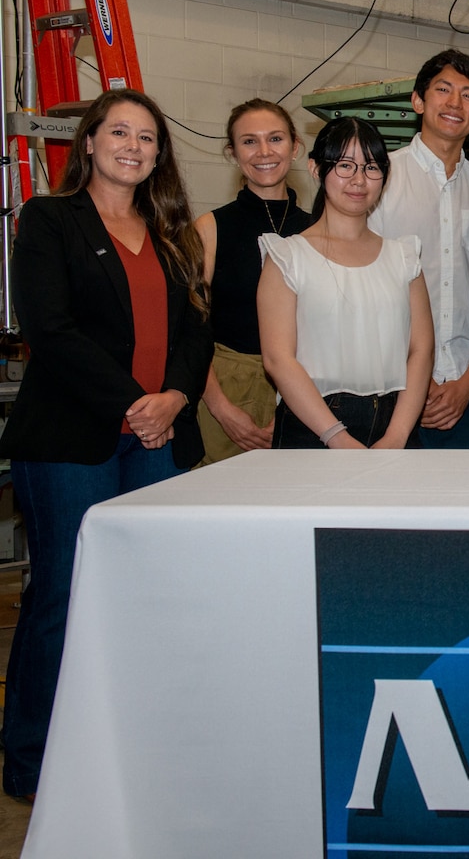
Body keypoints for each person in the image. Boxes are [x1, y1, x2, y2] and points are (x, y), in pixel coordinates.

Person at [0, 89, 213, 798]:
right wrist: (133, 403)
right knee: (62, 593)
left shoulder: (172, 232)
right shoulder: (50, 219)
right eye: (118, 132)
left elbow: (194, 333)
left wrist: (176, 398)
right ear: (87, 143)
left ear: (160, 155)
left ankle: (127, 747)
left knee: (143, 599)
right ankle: (31, 762)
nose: (133, 145)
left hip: (156, 439)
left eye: (147, 137)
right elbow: (50, 329)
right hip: (73, 439)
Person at [258, 117, 434, 449]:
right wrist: (336, 436)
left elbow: (421, 350)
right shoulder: (286, 256)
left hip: (394, 423)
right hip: (313, 425)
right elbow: (278, 359)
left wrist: (396, 435)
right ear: (315, 169)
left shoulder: (405, 256)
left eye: (371, 167)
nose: (358, 180)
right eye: (344, 165)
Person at [368, 48, 469, 449]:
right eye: (443, 89)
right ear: (418, 101)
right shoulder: (376, 181)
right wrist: (411, 385)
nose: (455, 103)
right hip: (390, 391)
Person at [193, 99, 312, 464]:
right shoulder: (209, 229)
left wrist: (297, 407)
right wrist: (221, 408)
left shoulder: (317, 230)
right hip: (223, 390)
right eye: (249, 141)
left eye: (275, 139)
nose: (264, 152)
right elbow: (187, 330)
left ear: (295, 146)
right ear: (232, 152)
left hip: (306, 388)